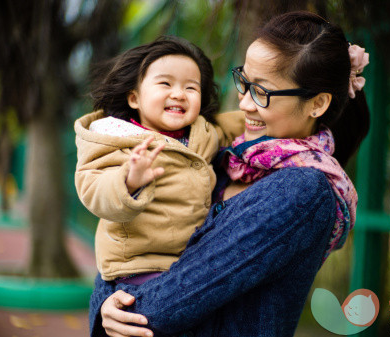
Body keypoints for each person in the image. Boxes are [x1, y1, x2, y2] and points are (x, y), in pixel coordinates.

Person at [91, 10, 370, 337]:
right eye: (244, 81)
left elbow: (175, 298)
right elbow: (123, 238)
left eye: (261, 92)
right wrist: (107, 300)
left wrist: (118, 304)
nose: (245, 103)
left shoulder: (303, 191)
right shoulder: (227, 156)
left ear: (317, 104)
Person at [74, 37, 243, 284]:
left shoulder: (202, 133)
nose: (179, 94)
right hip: (138, 266)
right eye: (165, 83)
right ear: (134, 98)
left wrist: (260, 116)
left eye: (191, 88)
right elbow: (94, 189)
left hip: (187, 258)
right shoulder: (117, 138)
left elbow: (235, 125)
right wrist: (129, 181)